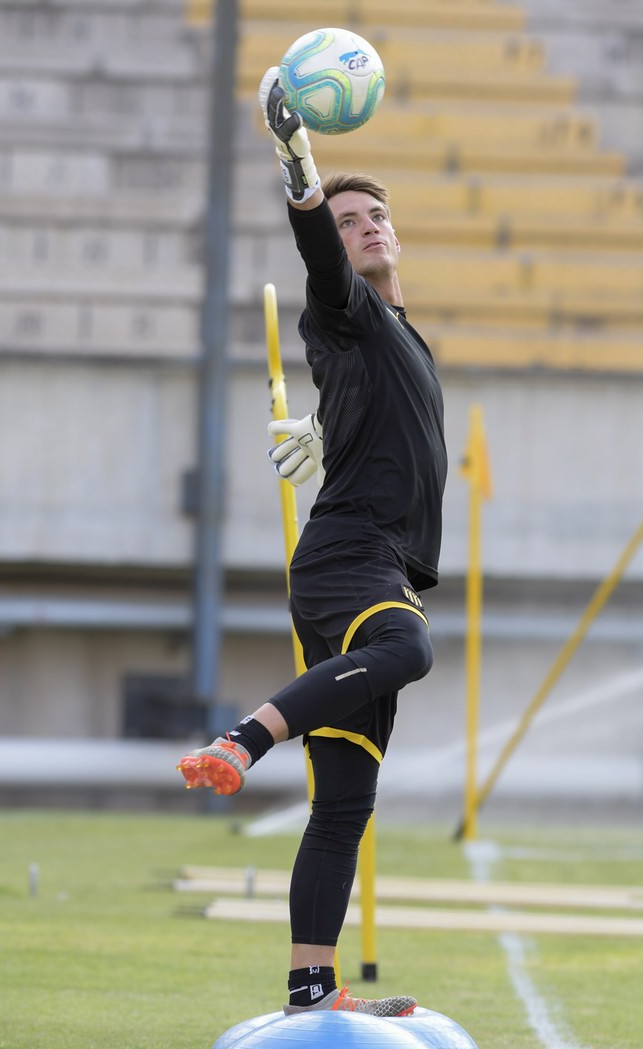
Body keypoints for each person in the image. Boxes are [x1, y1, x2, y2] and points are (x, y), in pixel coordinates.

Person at [177, 68, 447, 1018]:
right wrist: (304, 170)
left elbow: (374, 401)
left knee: (341, 808)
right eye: (348, 220)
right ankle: (244, 737)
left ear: (397, 231)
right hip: (350, 556)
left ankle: (310, 994)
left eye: (374, 214)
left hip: (369, 555)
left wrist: (331, 428)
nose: (365, 225)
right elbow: (321, 267)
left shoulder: (400, 334)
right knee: (407, 646)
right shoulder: (344, 305)